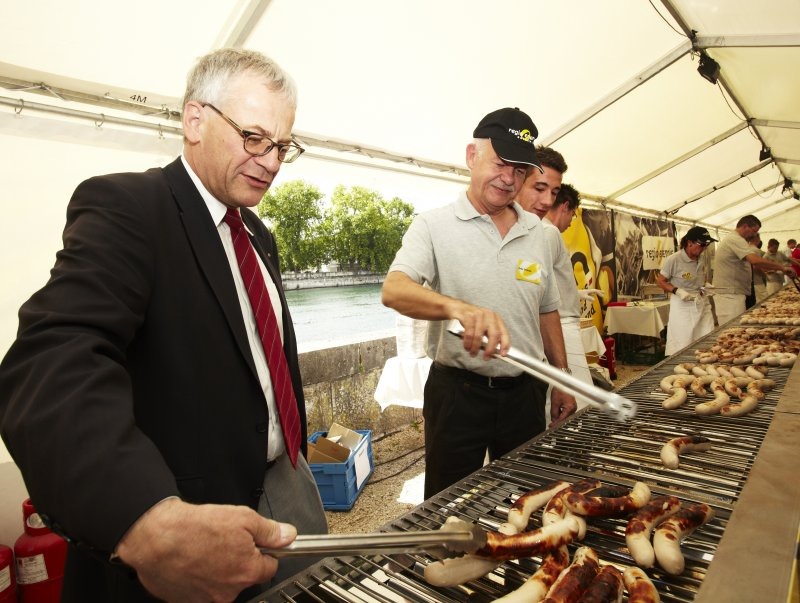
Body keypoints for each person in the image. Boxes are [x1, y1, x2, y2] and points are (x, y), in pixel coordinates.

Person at [0, 48, 327, 602]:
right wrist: (146, 521)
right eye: (254, 138)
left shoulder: (257, 234)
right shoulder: (129, 206)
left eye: (282, 146)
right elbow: (54, 359)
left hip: (288, 477)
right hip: (193, 511)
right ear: (194, 120)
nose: (270, 161)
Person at [382, 107, 577, 499]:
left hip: (526, 392)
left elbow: (547, 310)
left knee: (525, 497)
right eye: (501, 163)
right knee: (447, 502)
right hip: (458, 393)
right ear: (472, 156)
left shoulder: (539, 233)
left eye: (520, 170)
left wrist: (561, 378)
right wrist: (459, 309)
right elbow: (395, 289)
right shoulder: (433, 225)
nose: (509, 179)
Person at [520, 176, 597, 417]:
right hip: (559, 327)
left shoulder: (541, 232)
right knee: (577, 402)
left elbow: (542, 278)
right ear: (565, 207)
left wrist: (575, 293)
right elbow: (532, 282)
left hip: (557, 322)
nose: (571, 222)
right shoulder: (549, 232)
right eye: (573, 215)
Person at [711, 215, 793, 325]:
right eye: (754, 231)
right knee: (731, 328)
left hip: (734, 292)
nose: (754, 235)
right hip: (729, 294)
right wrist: (782, 267)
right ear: (745, 227)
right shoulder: (735, 239)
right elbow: (754, 260)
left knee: (734, 327)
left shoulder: (738, 239)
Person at [656, 227, 716, 355]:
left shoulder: (701, 258)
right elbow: (660, 281)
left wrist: (706, 286)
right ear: (690, 243)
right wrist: (677, 291)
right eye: (702, 245)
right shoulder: (674, 259)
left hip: (700, 302)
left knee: (706, 335)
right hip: (682, 305)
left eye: (707, 245)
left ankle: (703, 362)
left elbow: (700, 279)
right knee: (683, 341)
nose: (705, 248)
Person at [517, 145, 568, 220]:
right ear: (518, 183)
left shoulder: (539, 230)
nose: (548, 202)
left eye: (554, 193)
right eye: (539, 189)